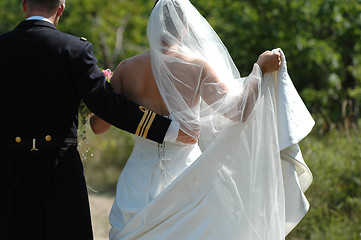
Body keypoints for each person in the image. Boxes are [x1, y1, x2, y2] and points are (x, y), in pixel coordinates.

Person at [91, 0, 314, 239]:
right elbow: (239, 111)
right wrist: (259, 69)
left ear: (152, 24)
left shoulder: (127, 69)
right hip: (186, 176)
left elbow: (98, 127)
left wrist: (99, 95)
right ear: (186, 26)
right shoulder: (196, 68)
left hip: (137, 181)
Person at [0, 0, 196, 239]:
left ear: (24, 5)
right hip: (59, 169)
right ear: (60, 9)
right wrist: (170, 130)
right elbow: (108, 105)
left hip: (8, 166)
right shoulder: (74, 49)